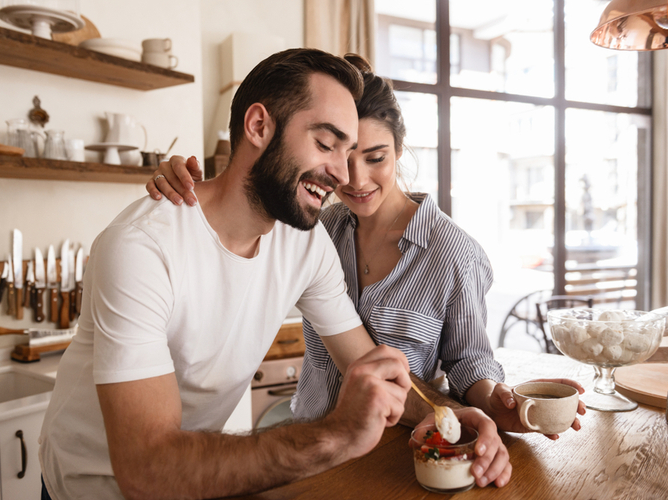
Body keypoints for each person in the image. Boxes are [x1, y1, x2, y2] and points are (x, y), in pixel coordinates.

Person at [147, 54, 587, 489]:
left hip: (404, 453)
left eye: (375, 157)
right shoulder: (318, 228)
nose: (354, 179)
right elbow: (244, 207)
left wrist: (494, 402)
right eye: (338, 154)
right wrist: (187, 188)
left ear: (400, 149)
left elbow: (468, 358)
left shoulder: (452, 252)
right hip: (312, 443)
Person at [40, 48, 416, 500]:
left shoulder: (305, 243)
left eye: (349, 150)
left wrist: (453, 420)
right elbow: (145, 471)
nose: (341, 173)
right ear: (258, 126)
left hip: (193, 480)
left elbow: (367, 366)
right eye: (325, 144)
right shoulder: (143, 246)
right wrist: (335, 434)